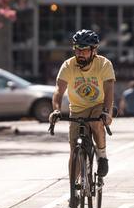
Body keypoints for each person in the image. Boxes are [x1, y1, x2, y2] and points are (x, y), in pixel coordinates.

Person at [49, 29, 115, 182]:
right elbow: (58, 91)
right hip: (77, 109)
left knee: (95, 120)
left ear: (94, 51)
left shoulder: (104, 64)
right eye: (78, 49)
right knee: (74, 149)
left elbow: (109, 90)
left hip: (100, 104)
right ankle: (74, 192)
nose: (81, 54)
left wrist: (106, 111)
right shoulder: (67, 66)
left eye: (85, 50)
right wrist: (56, 110)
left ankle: (102, 157)